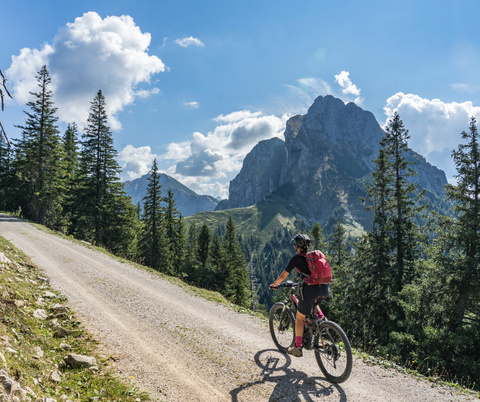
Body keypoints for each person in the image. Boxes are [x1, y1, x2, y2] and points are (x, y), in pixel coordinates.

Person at [270, 234, 330, 357]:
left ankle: (297, 347)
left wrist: (275, 284)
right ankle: (323, 321)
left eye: (294, 244)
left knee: (299, 318)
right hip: (325, 287)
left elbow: (283, 276)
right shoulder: (314, 257)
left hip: (310, 290)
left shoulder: (296, 258)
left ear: (296, 246)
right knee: (314, 303)